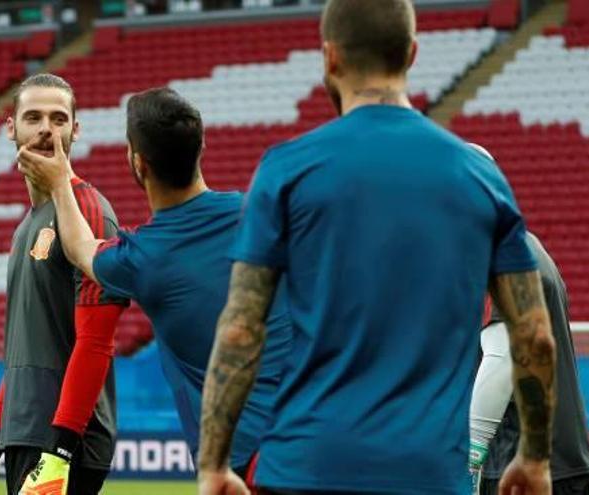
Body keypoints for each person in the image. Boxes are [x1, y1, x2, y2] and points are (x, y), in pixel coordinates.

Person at [193, 0, 557, 493]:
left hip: (307, 466)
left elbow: (240, 329)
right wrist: (534, 456)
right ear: (411, 54)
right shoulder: (479, 177)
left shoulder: (287, 169)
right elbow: (534, 335)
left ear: (329, 58)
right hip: (427, 472)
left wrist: (213, 463)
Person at [17, 87, 293, 489]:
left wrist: (61, 184)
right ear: (202, 148)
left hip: (247, 464)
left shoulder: (143, 257)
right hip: (314, 433)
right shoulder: (260, 214)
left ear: (138, 163)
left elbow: (79, 249)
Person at [0, 73, 128, 495]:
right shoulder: (26, 226)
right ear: (11, 127)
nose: (46, 129)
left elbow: (96, 343)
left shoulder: (88, 212)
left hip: (62, 440)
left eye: (58, 118)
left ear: (75, 129)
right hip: (27, 431)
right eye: (33, 117)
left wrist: (61, 451)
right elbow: (26, 351)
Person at [470, 232, 589, 494]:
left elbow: (502, 357)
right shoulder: (522, 245)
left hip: (526, 468)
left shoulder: (504, 256)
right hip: (552, 462)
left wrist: (466, 461)